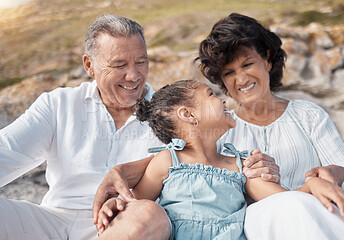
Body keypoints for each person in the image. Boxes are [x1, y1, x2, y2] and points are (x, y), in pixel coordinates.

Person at [0, 15, 278, 240]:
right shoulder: (58, 104)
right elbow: (7, 151)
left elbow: (204, 156)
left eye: (141, 62)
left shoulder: (167, 114)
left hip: (126, 225)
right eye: (119, 65)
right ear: (89, 65)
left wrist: (260, 165)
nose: (133, 75)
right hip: (52, 219)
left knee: (149, 214)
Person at [196, 13, 344, 239]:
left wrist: (333, 172)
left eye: (247, 64)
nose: (241, 79)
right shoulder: (221, 132)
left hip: (322, 204)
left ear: (267, 59)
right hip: (269, 219)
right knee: (294, 205)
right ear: (222, 81)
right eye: (229, 73)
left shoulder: (308, 114)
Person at [96, 80, 344, 239]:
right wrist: (118, 205)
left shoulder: (240, 165)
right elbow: (137, 207)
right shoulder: (168, 161)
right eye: (211, 95)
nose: (222, 99)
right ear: (188, 114)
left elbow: (282, 199)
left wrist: (311, 184)